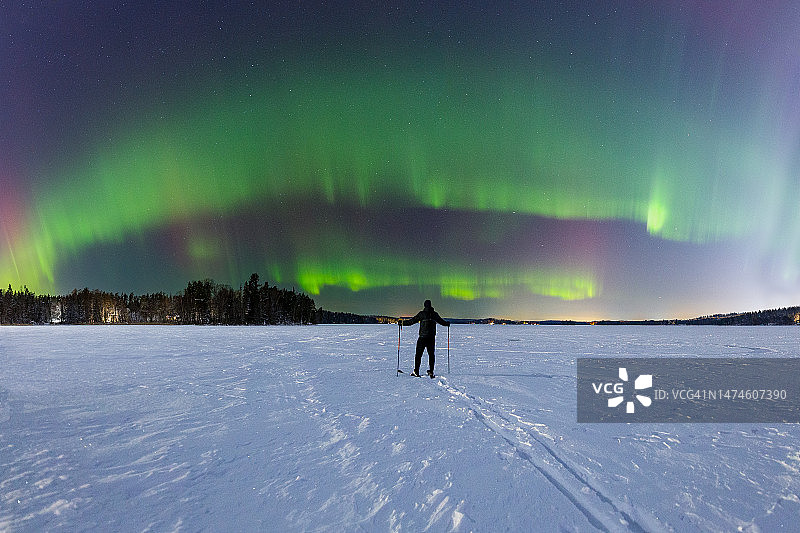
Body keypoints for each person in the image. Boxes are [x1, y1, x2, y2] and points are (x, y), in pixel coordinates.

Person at [399, 300, 450, 377]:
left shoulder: (421, 314)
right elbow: (441, 322)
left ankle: (416, 371)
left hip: (422, 338)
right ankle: (431, 371)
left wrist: (402, 323)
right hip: (431, 338)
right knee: (431, 355)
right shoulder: (434, 314)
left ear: (424, 305)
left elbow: (412, 321)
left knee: (418, 355)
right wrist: (447, 324)